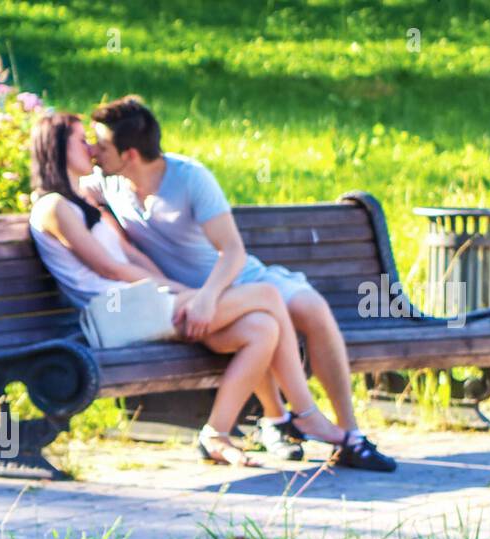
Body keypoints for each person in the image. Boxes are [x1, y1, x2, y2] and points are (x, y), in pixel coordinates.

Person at [82, 95, 397, 472]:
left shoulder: (189, 177)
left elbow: (232, 251)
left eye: (101, 145)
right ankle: (282, 419)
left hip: (234, 280)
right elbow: (63, 185)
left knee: (310, 307)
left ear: (129, 153)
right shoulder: (108, 183)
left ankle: (349, 433)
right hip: (189, 297)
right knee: (260, 323)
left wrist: (208, 298)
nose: (93, 151)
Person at [30, 112, 348, 465]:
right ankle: (304, 413)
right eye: (81, 140)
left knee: (263, 328)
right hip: (113, 314)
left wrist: (185, 294)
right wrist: (187, 295)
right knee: (268, 296)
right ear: (57, 148)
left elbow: (131, 255)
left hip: (143, 304)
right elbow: (109, 268)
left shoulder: (85, 201)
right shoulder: (53, 207)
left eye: (96, 143)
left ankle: (216, 434)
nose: (91, 149)